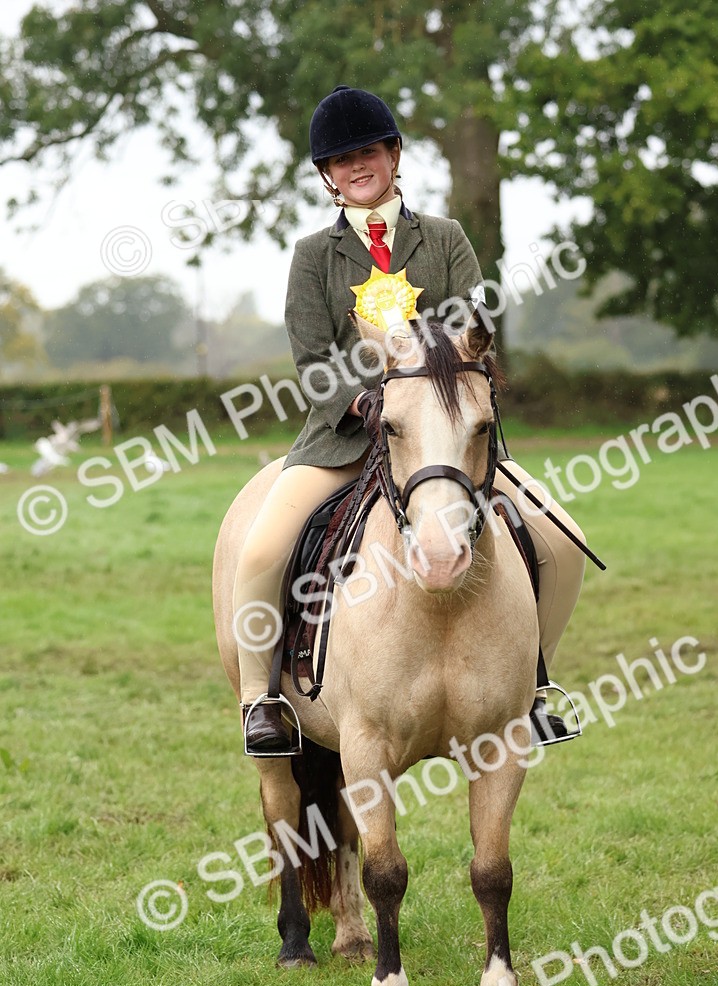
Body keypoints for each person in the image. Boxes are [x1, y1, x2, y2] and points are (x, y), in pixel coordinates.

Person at [234, 84, 587, 755]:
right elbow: (311, 358)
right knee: (261, 551)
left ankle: (534, 684)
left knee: (562, 538)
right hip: (342, 438)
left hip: (445, 438)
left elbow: (474, 330)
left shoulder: (446, 239)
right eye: (339, 160)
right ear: (325, 177)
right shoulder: (314, 256)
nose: (355, 165)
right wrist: (364, 402)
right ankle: (263, 700)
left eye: (367, 150)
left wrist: (426, 400)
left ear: (395, 154)